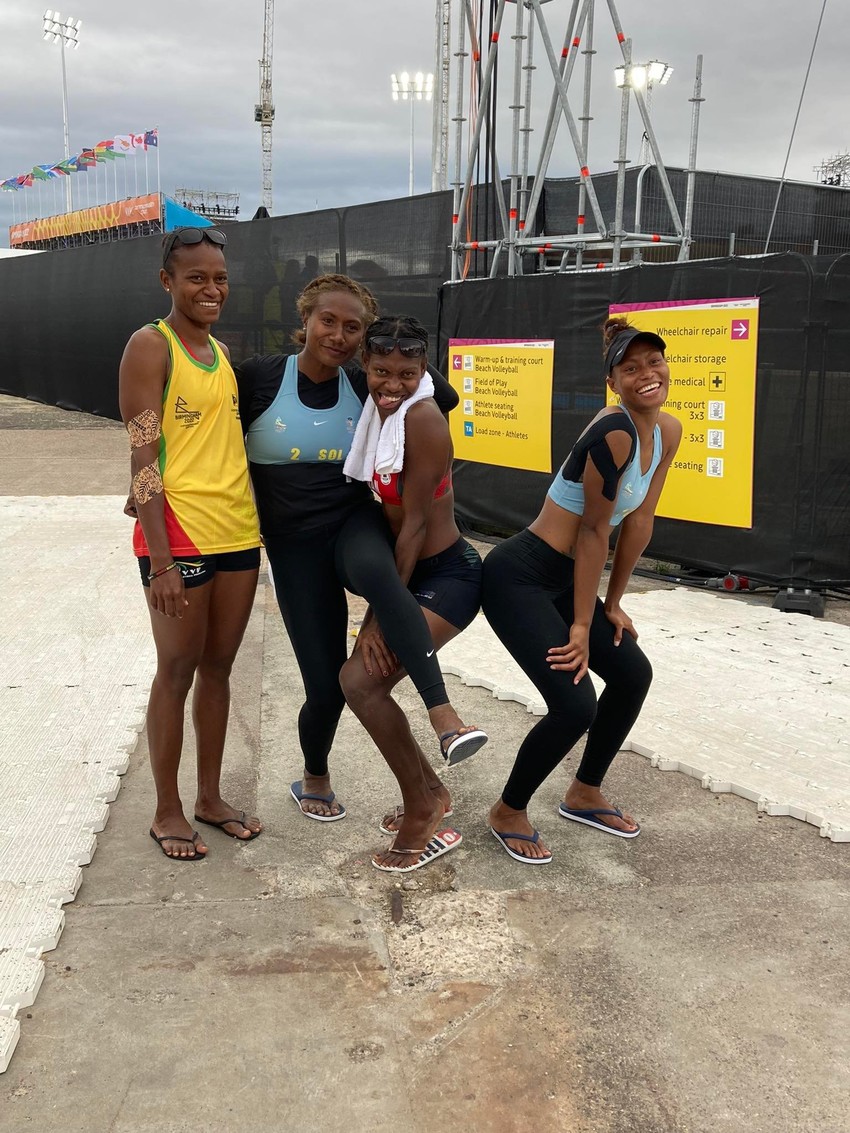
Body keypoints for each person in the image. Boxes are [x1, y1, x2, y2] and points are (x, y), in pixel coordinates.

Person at [237, 275, 486, 823]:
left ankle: (443, 714)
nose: (339, 335)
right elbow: (203, 427)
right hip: (293, 545)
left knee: (381, 576)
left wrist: (387, 340)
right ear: (304, 318)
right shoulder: (258, 376)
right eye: (328, 321)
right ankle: (315, 777)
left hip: (353, 523)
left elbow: (442, 394)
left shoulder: (366, 379)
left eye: (354, 328)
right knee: (326, 686)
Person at [482, 318, 682, 863]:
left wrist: (612, 604)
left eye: (654, 362)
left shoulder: (669, 430)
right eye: (631, 367)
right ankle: (508, 809)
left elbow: (638, 521)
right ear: (613, 382)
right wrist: (580, 624)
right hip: (520, 576)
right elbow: (595, 531)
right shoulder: (612, 432)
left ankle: (584, 791)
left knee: (632, 673)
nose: (647, 374)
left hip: (567, 578)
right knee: (574, 706)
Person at [119, 227, 264, 861]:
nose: (211, 289)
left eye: (220, 278)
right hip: (180, 535)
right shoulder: (151, 346)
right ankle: (166, 810)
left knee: (219, 670)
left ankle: (209, 797)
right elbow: (143, 455)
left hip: (238, 531)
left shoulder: (222, 354)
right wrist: (161, 559)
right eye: (197, 278)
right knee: (176, 670)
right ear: (167, 282)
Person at [339, 316, 485, 873]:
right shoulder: (379, 415)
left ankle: (423, 806)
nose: (392, 384)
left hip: (447, 576)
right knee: (360, 683)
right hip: (412, 573)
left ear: (424, 371)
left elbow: (416, 528)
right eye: (380, 372)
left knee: (360, 682)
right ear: (366, 369)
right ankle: (428, 792)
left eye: (406, 373)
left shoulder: (423, 421)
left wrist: (380, 615)